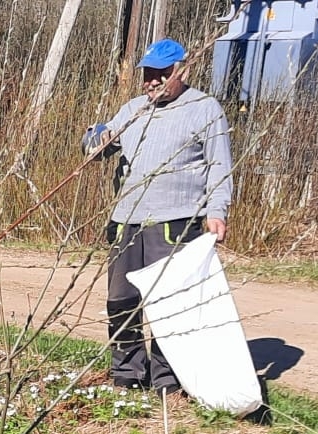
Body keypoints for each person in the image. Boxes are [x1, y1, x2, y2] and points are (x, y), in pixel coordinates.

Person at [85, 38, 233, 394]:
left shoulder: (205, 108)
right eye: (148, 74)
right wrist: (96, 138)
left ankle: (167, 381)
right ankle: (128, 374)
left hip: (174, 224)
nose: (153, 81)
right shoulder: (134, 108)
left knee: (169, 303)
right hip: (125, 221)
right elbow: (96, 145)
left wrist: (217, 211)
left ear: (182, 71)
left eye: (161, 74)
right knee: (121, 301)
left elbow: (219, 166)